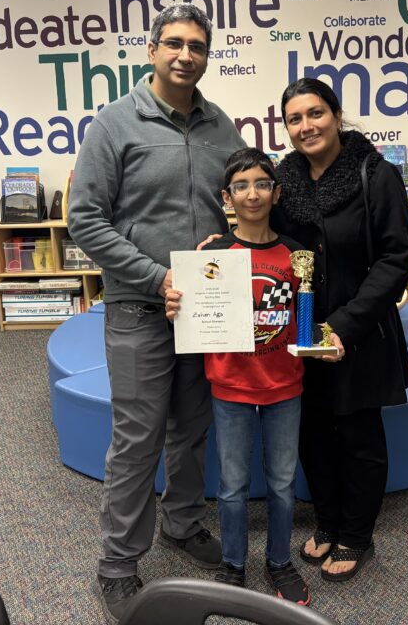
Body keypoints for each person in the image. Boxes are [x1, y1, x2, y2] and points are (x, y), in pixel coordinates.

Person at [67, 3, 246, 624]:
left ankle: (182, 523)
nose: (185, 55)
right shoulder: (114, 124)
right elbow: (84, 219)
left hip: (206, 309)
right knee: (138, 440)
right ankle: (117, 565)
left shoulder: (223, 127)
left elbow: (239, 206)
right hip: (140, 309)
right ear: (151, 49)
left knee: (193, 429)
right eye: (174, 43)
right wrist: (156, 276)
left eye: (197, 46)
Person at [271, 77, 408, 583]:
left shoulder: (376, 174)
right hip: (301, 332)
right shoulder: (281, 183)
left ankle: (357, 534)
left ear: (336, 115)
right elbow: (263, 241)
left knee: (358, 435)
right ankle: (328, 520)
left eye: (315, 113)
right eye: (294, 118)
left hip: (360, 329)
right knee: (312, 431)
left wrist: (345, 326)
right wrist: (219, 247)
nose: (305, 126)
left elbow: (398, 258)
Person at [165, 147, 311, 606]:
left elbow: (302, 320)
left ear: (276, 191)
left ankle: (279, 560)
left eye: (261, 184)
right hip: (230, 386)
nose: (253, 194)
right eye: (241, 186)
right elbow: (195, 314)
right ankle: (233, 563)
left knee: (283, 484)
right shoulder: (213, 254)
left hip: (285, 385)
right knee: (231, 487)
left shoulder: (295, 256)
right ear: (227, 197)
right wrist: (178, 309)